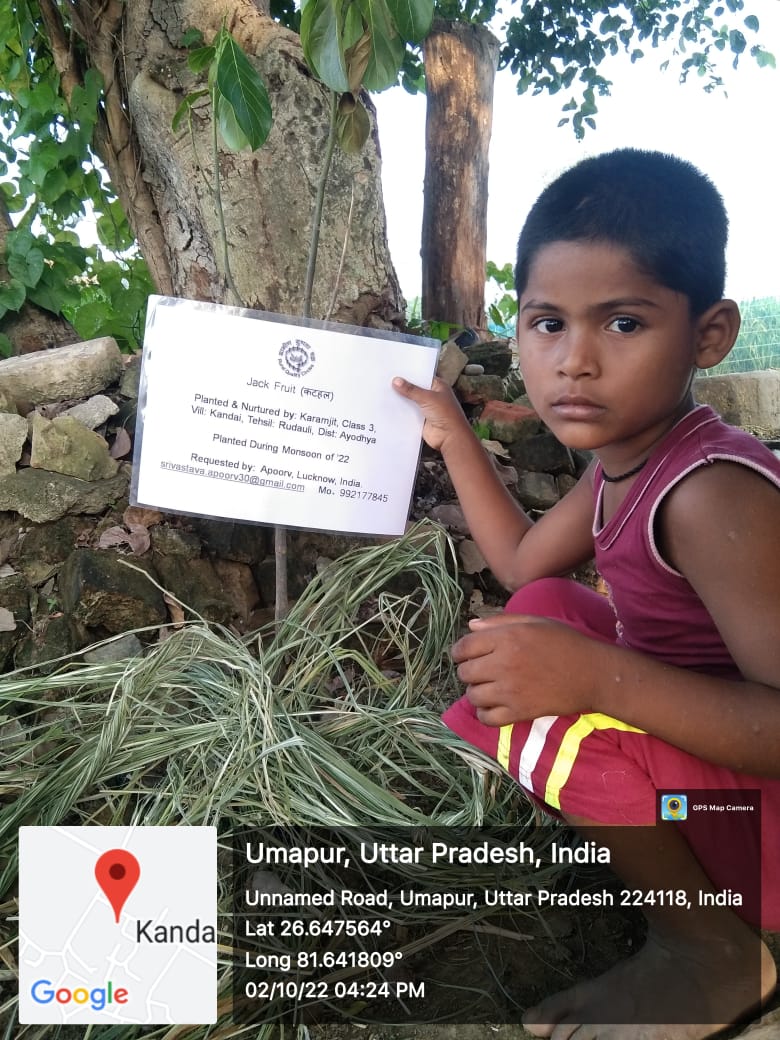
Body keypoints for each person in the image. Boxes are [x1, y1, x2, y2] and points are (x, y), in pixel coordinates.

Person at [392, 148, 780, 1040]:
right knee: (539, 618)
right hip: (719, 786)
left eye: (624, 323)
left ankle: (714, 955)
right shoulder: (627, 462)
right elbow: (524, 565)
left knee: (541, 712)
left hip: (756, 821)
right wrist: (454, 436)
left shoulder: (709, 494)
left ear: (709, 336)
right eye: (546, 323)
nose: (574, 362)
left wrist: (596, 680)